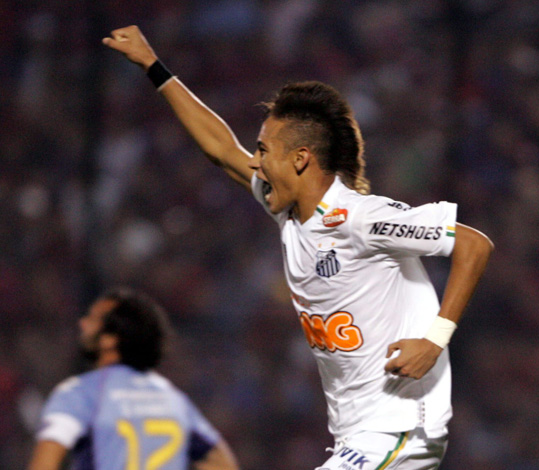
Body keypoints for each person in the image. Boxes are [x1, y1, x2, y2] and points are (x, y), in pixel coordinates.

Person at [102, 25, 494, 470]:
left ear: (300, 158)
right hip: (356, 434)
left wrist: (434, 340)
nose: (255, 161)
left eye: (264, 149)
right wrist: (154, 67)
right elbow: (219, 149)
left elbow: (473, 245)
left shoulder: (361, 217)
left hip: (400, 428)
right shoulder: (289, 212)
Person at [27, 287, 239, 470]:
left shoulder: (79, 393)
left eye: (92, 318)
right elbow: (222, 463)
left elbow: (45, 463)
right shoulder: (174, 399)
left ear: (110, 339)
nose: (83, 323)